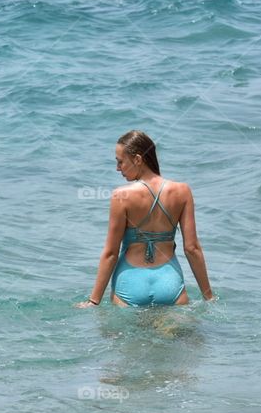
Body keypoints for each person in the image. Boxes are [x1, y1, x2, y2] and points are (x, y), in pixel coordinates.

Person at [76, 130, 213, 308]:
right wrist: (209, 297)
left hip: (130, 283)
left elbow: (110, 253)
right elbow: (192, 249)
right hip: (169, 282)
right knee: (179, 335)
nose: (118, 168)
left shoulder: (121, 196)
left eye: (120, 162)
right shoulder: (182, 191)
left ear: (138, 160)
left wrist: (93, 301)